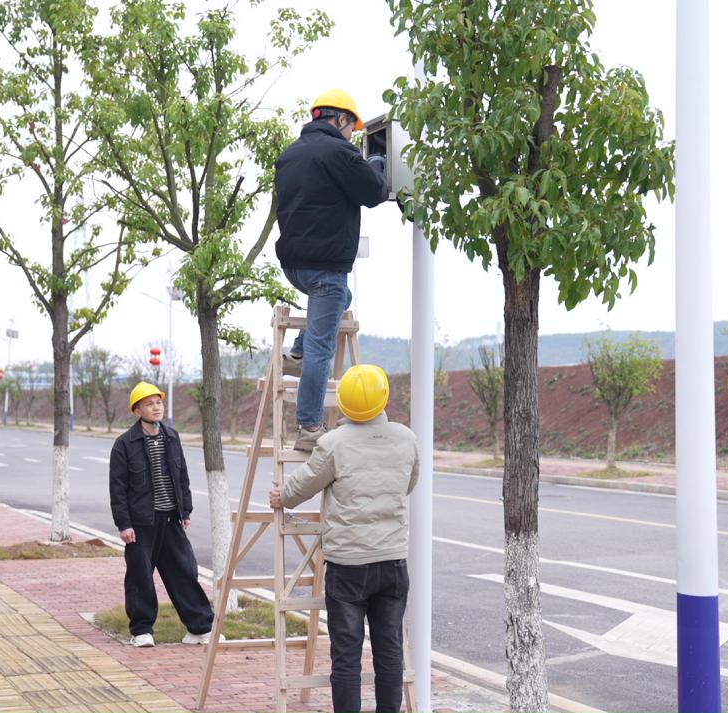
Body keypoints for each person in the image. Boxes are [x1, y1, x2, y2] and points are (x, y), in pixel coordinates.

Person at [269, 364, 419, 713]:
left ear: (344, 405)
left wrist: (281, 496)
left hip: (348, 567)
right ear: (384, 398)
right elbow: (409, 485)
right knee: (390, 650)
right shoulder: (406, 438)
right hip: (392, 563)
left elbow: (302, 486)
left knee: (347, 656)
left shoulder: (333, 443)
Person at [274, 88, 388, 451]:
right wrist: (377, 163)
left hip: (294, 266)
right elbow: (373, 192)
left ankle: (296, 354)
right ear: (340, 120)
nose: (352, 135)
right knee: (324, 348)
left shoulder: (290, 154)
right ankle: (308, 428)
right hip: (326, 267)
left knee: (341, 298)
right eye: (351, 128)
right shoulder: (339, 151)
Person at [108, 381, 215, 648]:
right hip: (141, 524)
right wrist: (124, 524)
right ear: (137, 410)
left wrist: (185, 510)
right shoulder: (124, 444)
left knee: (185, 572)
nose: (156, 407)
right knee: (140, 576)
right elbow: (117, 488)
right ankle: (142, 630)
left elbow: (182, 476)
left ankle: (199, 629)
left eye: (159, 403)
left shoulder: (171, 437)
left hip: (171, 520)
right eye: (149, 404)